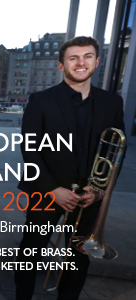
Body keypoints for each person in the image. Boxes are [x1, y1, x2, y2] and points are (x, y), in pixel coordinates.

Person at [15, 36, 125, 300]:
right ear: (61, 65)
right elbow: (30, 149)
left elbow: (117, 151)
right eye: (73, 58)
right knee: (31, 250)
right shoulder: (41, 100)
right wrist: (52, 189)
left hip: (89, 194)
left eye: (87, 56)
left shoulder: (112, 102)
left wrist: (99, 191)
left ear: (97, 62)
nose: (80, 62)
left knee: (79, 256)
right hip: (47, 190)